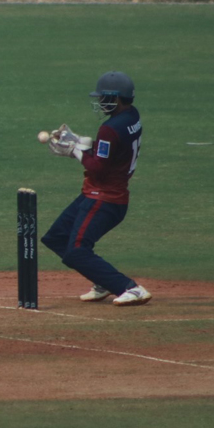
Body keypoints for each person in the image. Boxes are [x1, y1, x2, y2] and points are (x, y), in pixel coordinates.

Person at [41, 71, 149, 306]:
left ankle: (129, 288)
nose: (100, 101)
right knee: (56, 237)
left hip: (105, 199)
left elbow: (98, 168)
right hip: (100, 195)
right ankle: (103, 280)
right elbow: (109, 154)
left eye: (104, 97)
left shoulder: (109, 129)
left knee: (77, 251)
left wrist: (74, 150)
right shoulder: (132, 116)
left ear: (116, 98)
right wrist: (81, 144)